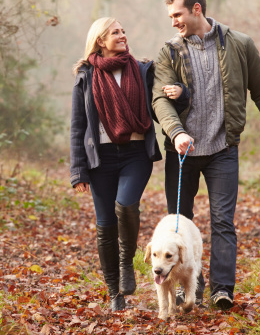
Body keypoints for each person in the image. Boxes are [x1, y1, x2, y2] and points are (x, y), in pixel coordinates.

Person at [152, 0, 260, 311]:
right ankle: (184, 290)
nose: (174, 22)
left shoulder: (239, 44)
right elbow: (159, 99)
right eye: (171, 17)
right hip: (182, 152)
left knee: (223, 223)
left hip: (222, 149)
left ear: (197, 9)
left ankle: (221, 289)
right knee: (179, 224)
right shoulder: (169, 52)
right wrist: (176, 133)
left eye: (178, 15)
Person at [70, 17, 188, 311]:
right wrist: (78, 170)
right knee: (105, 225)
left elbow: (164, 105)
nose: (122, 36)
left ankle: (127, 262)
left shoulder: (142, 69)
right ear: (100, 40)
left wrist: (180, 95)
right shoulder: (85, 76)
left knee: (125, 205)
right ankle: (115, 294)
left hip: (136, 154)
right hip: (101, 159)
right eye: (115, 32)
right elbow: (77, 126)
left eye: (123, 31)